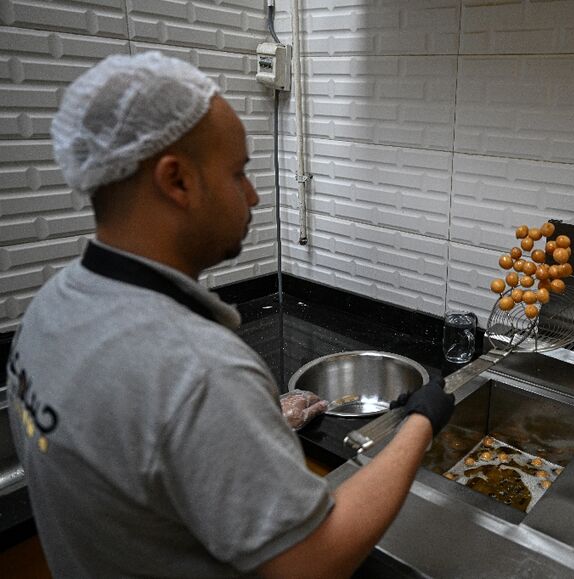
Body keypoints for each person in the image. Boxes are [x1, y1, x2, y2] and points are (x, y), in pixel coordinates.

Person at [6, 51, 454, 578]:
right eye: (238, 172)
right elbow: (316, 562)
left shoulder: (53, 305)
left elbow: (134, 452)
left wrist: (248, 424)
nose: (254, 195)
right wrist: (419, 422)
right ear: (177, 181)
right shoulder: (198, 369)